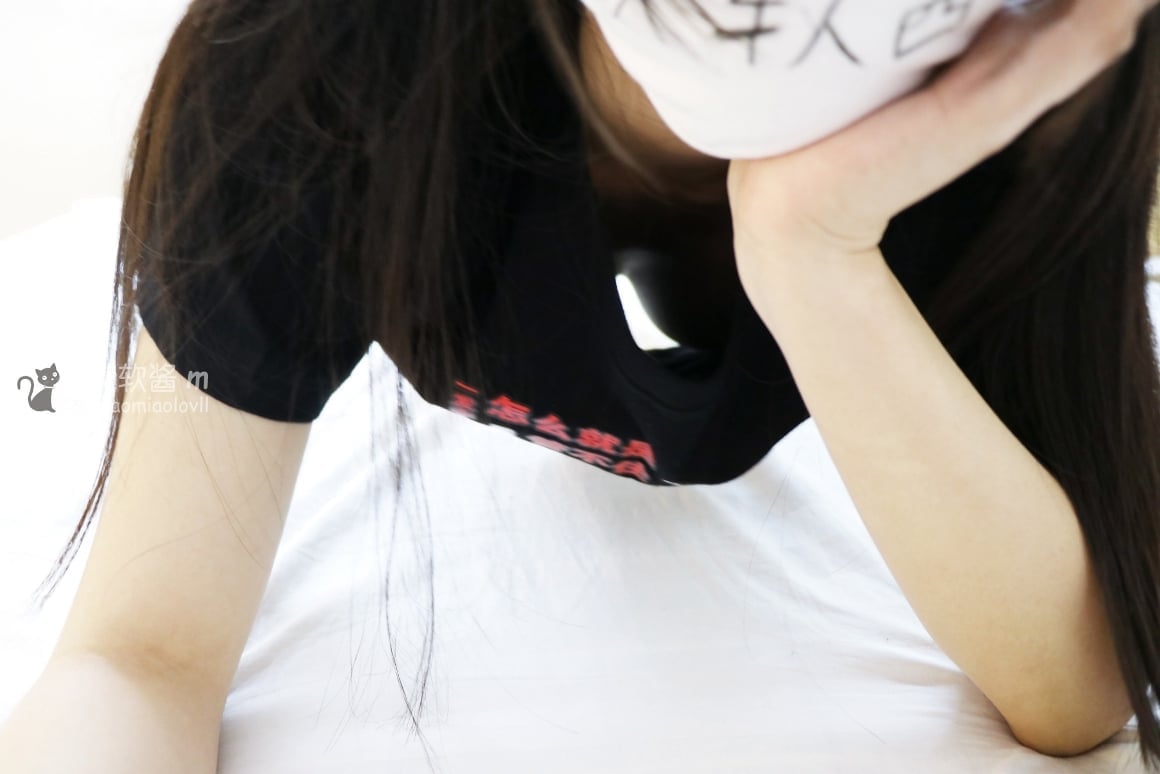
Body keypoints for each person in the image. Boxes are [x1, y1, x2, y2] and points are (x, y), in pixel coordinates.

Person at [1, 0, 1159, 769]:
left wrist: (812, 251)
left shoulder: (1032, 92)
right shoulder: (322, 51)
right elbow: (139, 651)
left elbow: (1074, 684)